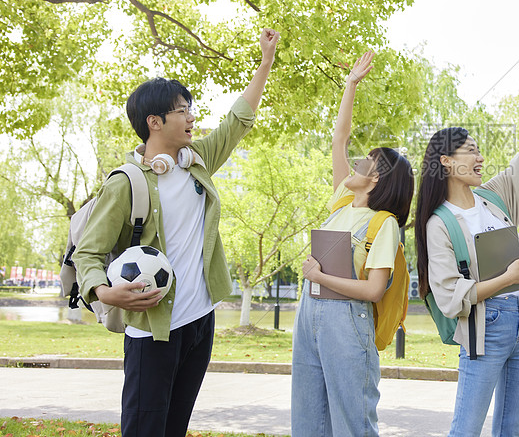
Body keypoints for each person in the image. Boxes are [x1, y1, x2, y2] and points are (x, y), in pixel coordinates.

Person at [72, 29, 280, 437]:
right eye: (183, 110)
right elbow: (88, 253)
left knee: (175, 427)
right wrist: (101, 292)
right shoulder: (125, 182)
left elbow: (238, 120)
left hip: (200, 320)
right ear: (155, 121)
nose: (191, 117)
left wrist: (265, 62)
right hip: (152, 328)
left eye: (190, 109)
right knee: (144, 428)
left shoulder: (196, 160)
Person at [414, 76, 519, 437]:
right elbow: (450, 298)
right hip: (486, 328)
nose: (480, 158)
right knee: (467, 429)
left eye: (479, 152)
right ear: (446, 161)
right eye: (471, 151)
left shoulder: (494, 198)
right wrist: (507, 279)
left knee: (511, 428)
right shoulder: (439, 224)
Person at [291, 51, 414, 437]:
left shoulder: (384, 224)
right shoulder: (343, 202)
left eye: (366, 162)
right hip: (309, 315)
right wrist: (350, 85)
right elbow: (339, 138)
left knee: (352, 425)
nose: (355, 163)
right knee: (309, 421)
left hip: (346, 320)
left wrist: (321, 277)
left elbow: (375, 290)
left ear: (377, 179)